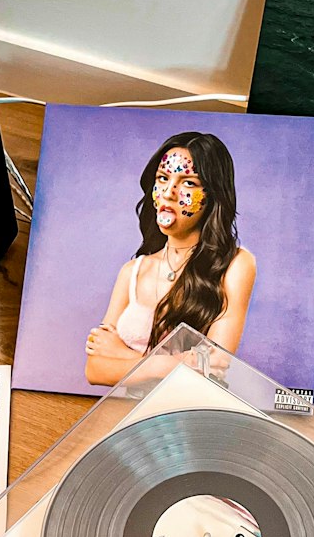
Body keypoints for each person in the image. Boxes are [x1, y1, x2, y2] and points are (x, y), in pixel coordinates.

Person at [85, 132, 257, 387]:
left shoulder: (236, 264)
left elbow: (213, 369)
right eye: (163, 178)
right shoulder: (132, 271)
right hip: (122, 413)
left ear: (212, 195)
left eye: (188, 183)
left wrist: (122, 355)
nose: (168, 193)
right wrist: (177, 363)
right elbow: (95, 371)